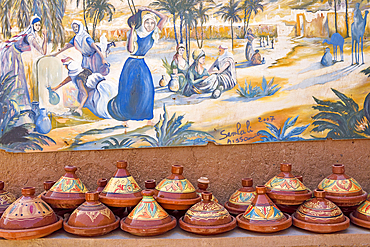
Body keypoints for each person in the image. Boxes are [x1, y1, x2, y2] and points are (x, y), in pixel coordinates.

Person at [107, 8, 168, 123]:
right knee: (129, 90)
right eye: (147, 22)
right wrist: (132, 30)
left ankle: (142, 114)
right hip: (131, 64)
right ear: (143, 22)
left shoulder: (153, 33)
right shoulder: (135, 32)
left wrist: (148, 10)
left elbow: (165, 18)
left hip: (142, 64)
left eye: (152, 23)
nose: (149, 25)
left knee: (146, 89)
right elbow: (130, 50)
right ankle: (127, 113)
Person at [0, 15, 47, 109]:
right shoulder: (30, 37)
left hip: (17, 54)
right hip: (12, 54)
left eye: (39, 25)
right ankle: (12, 102)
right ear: (32, 25)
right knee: (15, 77)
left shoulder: (34, 35)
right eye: (36, 25)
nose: (38, 27)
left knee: (19, 77)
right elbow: (42, 52)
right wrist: (46, 36)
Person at [51, 57, 116, 118]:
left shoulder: (79, 80)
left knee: (82, 100)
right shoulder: (84, 70)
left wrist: (79, 108)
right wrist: (56, 88)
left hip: (95, 94)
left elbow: (85, 94)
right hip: (97, 89)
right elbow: (67, 80)